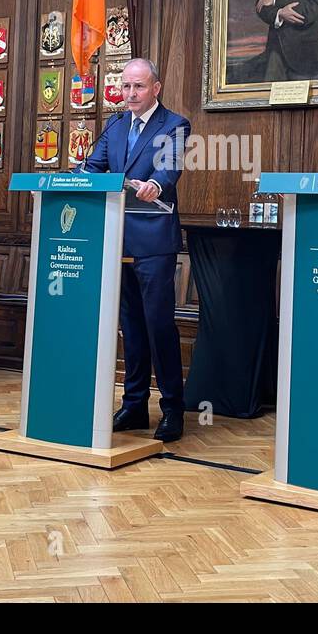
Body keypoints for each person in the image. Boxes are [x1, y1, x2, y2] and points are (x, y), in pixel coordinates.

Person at [82, 58, 191, 441]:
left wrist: (155, 186)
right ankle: (133, 405)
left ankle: (172, 409)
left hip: (153, 239)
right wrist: (79, 178)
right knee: (130, 326)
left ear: (156, 88)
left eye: (138, 87)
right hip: (116, 238)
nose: (130, 94)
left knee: (158, 324)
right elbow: (93, 167)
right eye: (126, 87)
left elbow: (168, 170)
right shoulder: (114, 125)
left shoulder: (174, 125)